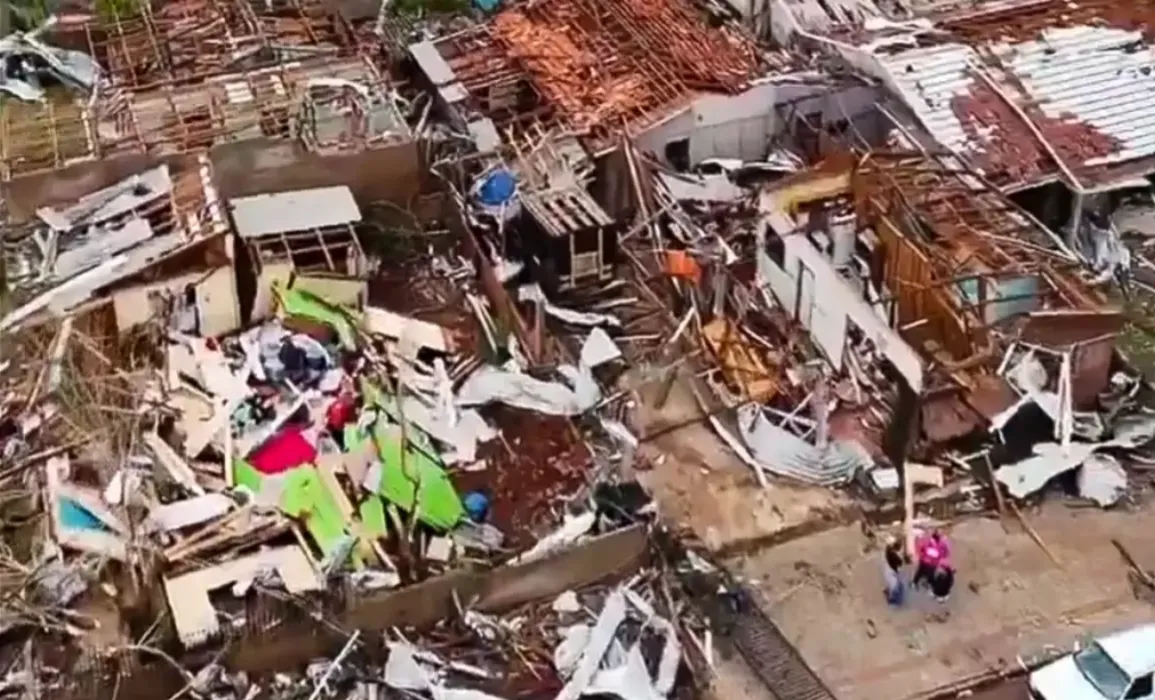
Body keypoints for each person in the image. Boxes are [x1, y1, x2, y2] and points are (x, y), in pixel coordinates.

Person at [882, 536, 906, 606]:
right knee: (895, 586)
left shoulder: (888, 549)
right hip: (892, 570)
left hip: (889, 568)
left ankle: (887, 590)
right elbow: (900, 562)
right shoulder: (893, 554)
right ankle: (891, 600)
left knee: (893, 582)